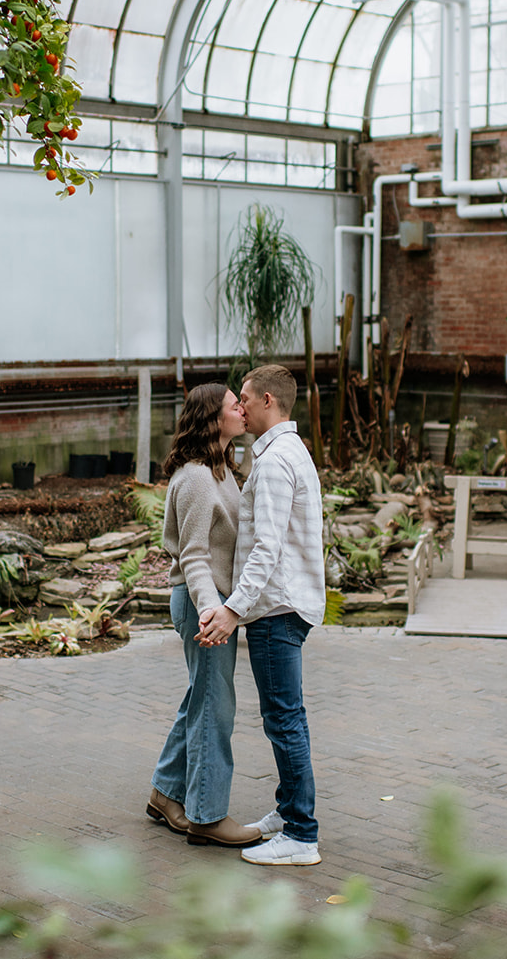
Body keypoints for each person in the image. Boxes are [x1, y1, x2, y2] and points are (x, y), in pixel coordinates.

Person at [197, 364, 325, 866]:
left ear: (267, 400)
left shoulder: (272, 463)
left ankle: (300, 835)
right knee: (287, 718)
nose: (240, 407)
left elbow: (266, 548)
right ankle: (289, 810)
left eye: (245, 398)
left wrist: (232, 610)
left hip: (276, 608)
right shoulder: (288, 451)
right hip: (287, 604)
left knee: (284, 721)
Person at [146, 382, 263, 848]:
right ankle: (206, 815)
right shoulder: (196, 477)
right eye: (235, 403)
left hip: (208, 603)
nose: (242, 407)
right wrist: (213, 611)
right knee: (215, 708)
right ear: (214, 418)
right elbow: (193, 556)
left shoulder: (220, 470)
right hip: (202, 604)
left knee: (202, 697)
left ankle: (164, 792)